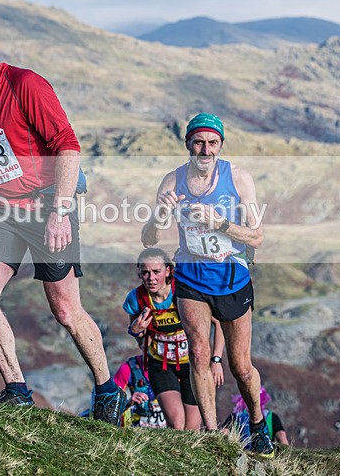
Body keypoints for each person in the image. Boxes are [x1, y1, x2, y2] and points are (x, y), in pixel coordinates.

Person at [0, 16, 126, 425]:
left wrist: (60, 212)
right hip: (2, 207)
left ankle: (108, 391)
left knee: (66, 310)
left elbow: (68, 147)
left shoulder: (26, 84)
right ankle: (17, 391)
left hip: (47, 205)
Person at [141, 113, 274, 456]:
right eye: (199, 142)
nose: (205, 149)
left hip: (231, 279)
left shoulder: (238, 178)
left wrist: (220, 223)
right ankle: (213, 436)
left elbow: (257, 237)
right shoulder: (172, 181)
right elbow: (149, 238)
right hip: (191, 277)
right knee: (198, 353)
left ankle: (258, 424)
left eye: (212, 143)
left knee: (240, 366)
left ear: (220, 145)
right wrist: (160, 215)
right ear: (188, 143)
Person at [124, 247, 225, 430]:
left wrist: (216, 360)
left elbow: (219, 324)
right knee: (177, 423)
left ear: (168, 270)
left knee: (192, 429)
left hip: (193, 365)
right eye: (145, 272)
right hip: (161, 364)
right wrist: (136, 331)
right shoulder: (136, 298)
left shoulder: (183, 292)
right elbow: (138, 334)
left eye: (156, 271)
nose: (151, 278)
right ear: (139, 273)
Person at [223, 387, 289, 448]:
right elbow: (281, 435)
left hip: (241, 451)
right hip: (265, 451)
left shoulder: (236, 416)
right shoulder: (271, 416)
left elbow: (224, 432)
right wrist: (286, 450)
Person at [113, 353, 166, 428]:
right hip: (138, 425)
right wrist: (128, 402)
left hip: (168, 426)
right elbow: (111, 405)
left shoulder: (174, 367)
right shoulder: (127, 368)